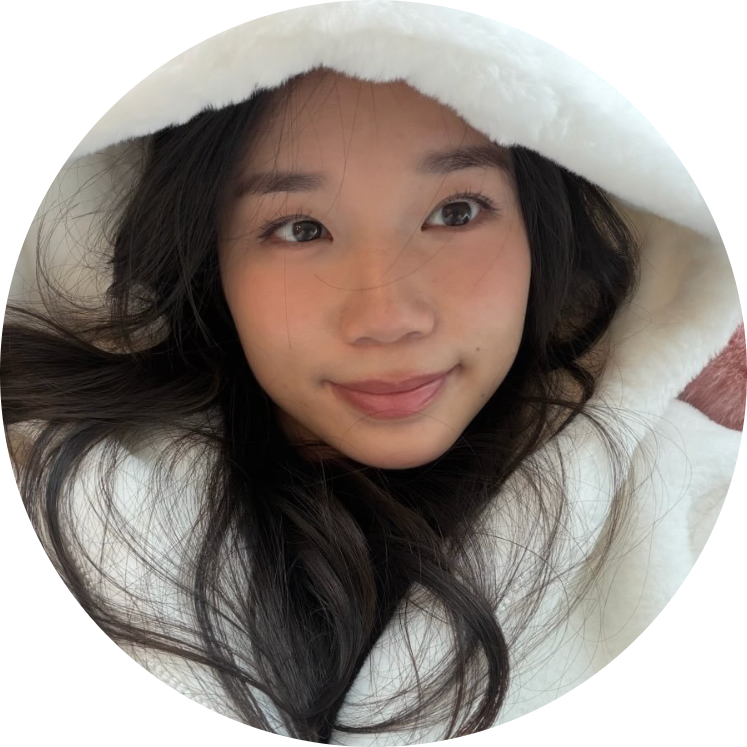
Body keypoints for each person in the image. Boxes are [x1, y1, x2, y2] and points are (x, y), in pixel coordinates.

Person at [2, 6, 742, 744]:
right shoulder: (57, 481)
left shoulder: (687, 501)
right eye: (300, 228)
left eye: (456, 211)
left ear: (541, 235)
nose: (387, 318)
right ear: (211, 263)